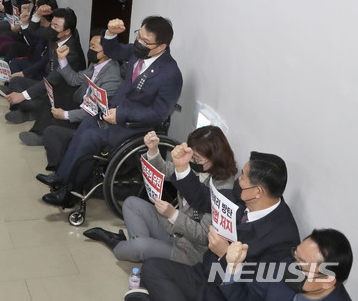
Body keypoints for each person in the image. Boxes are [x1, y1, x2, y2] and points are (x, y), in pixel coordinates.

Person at [37, 16, 183, 207]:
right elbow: (114, 50)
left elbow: (159, 113)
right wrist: (111, 34)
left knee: (92, 137)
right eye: (139, 36)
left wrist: (122, 115)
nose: (139, 42)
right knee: (87, 124)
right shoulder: (140, 51)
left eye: (146, 41)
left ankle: (69, 191)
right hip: (114, 111)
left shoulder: (170, 73)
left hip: (136, 127)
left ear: (161, 47)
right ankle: (63, 179)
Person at [130, 149, 301, 301]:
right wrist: (182, 168)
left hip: (226, 292)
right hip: (203, 273)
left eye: (242, 177)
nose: (238, 180)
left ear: (258, 192)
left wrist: (225, 254)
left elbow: (253, 291)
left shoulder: (283, 239)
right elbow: (205, 198)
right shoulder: (242, 194)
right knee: (151, 268)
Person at [84, 127, 237, 266]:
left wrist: (173, 214)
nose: (192, 160)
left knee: (137, 247)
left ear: (215, 156)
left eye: (197, 158)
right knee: (131, 203)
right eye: (192, 156)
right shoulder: (195, 164)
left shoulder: (223, 187)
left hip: (190, 249)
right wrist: (153, 150)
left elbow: (204, 236)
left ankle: (122, 245)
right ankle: (144, 252)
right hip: (173, 231)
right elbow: (164, 169)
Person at [220, 228, 353, 301]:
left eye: (301, 266)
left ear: (327, 281)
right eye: (295, 256)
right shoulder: (283, 268)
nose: (292, 267)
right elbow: (247, 297)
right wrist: (234, 267)